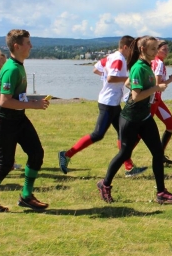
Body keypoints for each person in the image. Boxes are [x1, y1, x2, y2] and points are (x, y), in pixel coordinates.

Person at [97, 36, 172, 204]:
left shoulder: (147, 65)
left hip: (145, 116)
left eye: (157, 48)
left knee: (158, 153)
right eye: (153, 49)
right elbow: (135, 96)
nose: (156, 52)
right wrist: (156, 88)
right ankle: (104, 184)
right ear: (143, 49)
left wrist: (161, 84)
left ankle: (161, 193)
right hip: (131, 118)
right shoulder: (138, 67)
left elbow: (128, 83)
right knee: (124, 153)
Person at [0, 29, 50, 212]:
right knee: (5, 164)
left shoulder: (18, 65)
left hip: (18, 118)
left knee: (36, 153)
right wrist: (34, 105)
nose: (31, 46)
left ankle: (26, 196)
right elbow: (4, 101)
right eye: (28, 43)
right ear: (17, 46)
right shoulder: (11, 69)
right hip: (4, 121)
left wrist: (31, 103)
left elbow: (17, 97)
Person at [58, 36, 146, 177]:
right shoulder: (119, 59)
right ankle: (67, 154)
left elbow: (96, 69)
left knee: (124, 134)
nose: (134, 52)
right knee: (98, 134)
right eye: (132, 49)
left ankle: (129, 167)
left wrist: (105, 76)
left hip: (113, 102)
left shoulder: (111, 56)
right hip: (108, 103)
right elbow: (111, 78)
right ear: (125, 47)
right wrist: (129, 79)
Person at [150, 39, 172, 164]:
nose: (167, 52)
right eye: (164, 49)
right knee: (141, 131)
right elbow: (157, 85)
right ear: (157, 50)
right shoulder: (159, 63)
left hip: (157, 100)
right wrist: (170, 80)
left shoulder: (153, 61)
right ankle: (126, 159)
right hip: (153, 100)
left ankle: (160, 155)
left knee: (171, 125)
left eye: (168, 49)